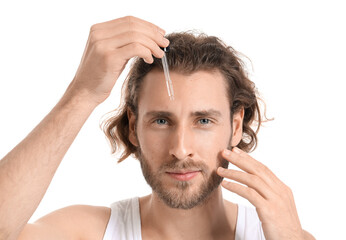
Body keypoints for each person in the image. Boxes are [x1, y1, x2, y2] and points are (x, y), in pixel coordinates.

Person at [0, 16, 315, 240]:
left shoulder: (280, 234)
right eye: (162, 121)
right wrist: (83, 92)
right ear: (135, 127)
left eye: (203, 121)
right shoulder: (90, 232)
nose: (180, 148)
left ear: (235, 127)